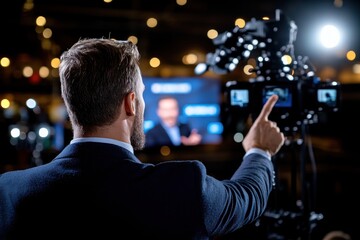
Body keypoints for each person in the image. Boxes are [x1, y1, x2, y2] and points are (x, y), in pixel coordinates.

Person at [0, 38, 285, 239]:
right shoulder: (179, 188)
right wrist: (259, 150)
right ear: (131, 103)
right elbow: (245, 197)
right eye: (144, 95)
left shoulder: (10, 191)